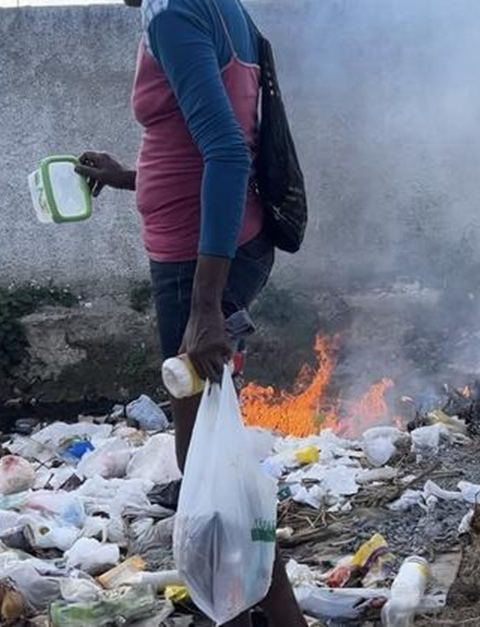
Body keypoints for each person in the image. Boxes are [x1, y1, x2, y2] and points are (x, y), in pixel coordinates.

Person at [74, 0, 305, 625]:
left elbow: (228, 151)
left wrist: (205, 305)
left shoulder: (174, 14)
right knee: (207, 462)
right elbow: (198, 133)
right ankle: (240, 608)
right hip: (220, 248)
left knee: (207, 474)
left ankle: (239, 611)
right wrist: (130, 177)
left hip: (197, 263)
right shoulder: (218, 6)